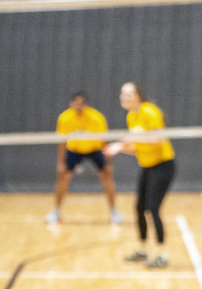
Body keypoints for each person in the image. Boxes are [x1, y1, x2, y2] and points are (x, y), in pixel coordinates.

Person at [106, 81, 175, 269]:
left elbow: (160, 139)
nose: (124, 97)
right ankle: (142, 250)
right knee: (139, 208)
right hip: (147, 167)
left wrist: (125, 143)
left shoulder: (149, 112)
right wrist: (120, 148)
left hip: (163, 166)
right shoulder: (131, 117)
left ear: (138, 96)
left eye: (128, 94)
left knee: (153, 208)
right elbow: (139, 146)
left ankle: (162, 254)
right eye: (122, 94)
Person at [46, 91, 122, 226]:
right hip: (74, 150)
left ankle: (114, 212)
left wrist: (108, 163)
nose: (78, 106)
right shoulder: (65, 118)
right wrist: (61, 163)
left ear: (85, 104)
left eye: (81, 103)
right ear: (71, 104)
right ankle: (56, 212)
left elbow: (104, 140)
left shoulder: (96, 117)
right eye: (76, 103)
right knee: (62, 178)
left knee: (107, 177)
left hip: (95, 150)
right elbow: (62, 142)